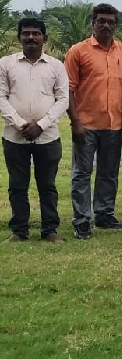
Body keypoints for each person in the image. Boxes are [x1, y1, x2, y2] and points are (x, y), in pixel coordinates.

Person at [64, 3, 122, 240]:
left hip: (114, 125)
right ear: (93, 23)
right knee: (82, 173)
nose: (106, 25)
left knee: (109, 173)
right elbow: (69, 89)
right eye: (101, 21)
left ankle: (104, 214)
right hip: (86, 124)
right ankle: (82, 220)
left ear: (116, 26)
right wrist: (75, 122)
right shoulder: (78, 51)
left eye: (110, 22)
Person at [0, 18, 69, 243]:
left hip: (47, 137)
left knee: (47, 186)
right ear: (19, 37)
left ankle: (50, 230)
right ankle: (19, 230)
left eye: (36, 33)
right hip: (14, 136)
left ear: (44, 38)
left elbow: (63, 99)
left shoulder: (56, 66)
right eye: (26, 33)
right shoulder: (6, 64)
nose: (31, 37)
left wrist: (41, 125)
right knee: (17, 185)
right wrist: (20, 124)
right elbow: (1, 97)